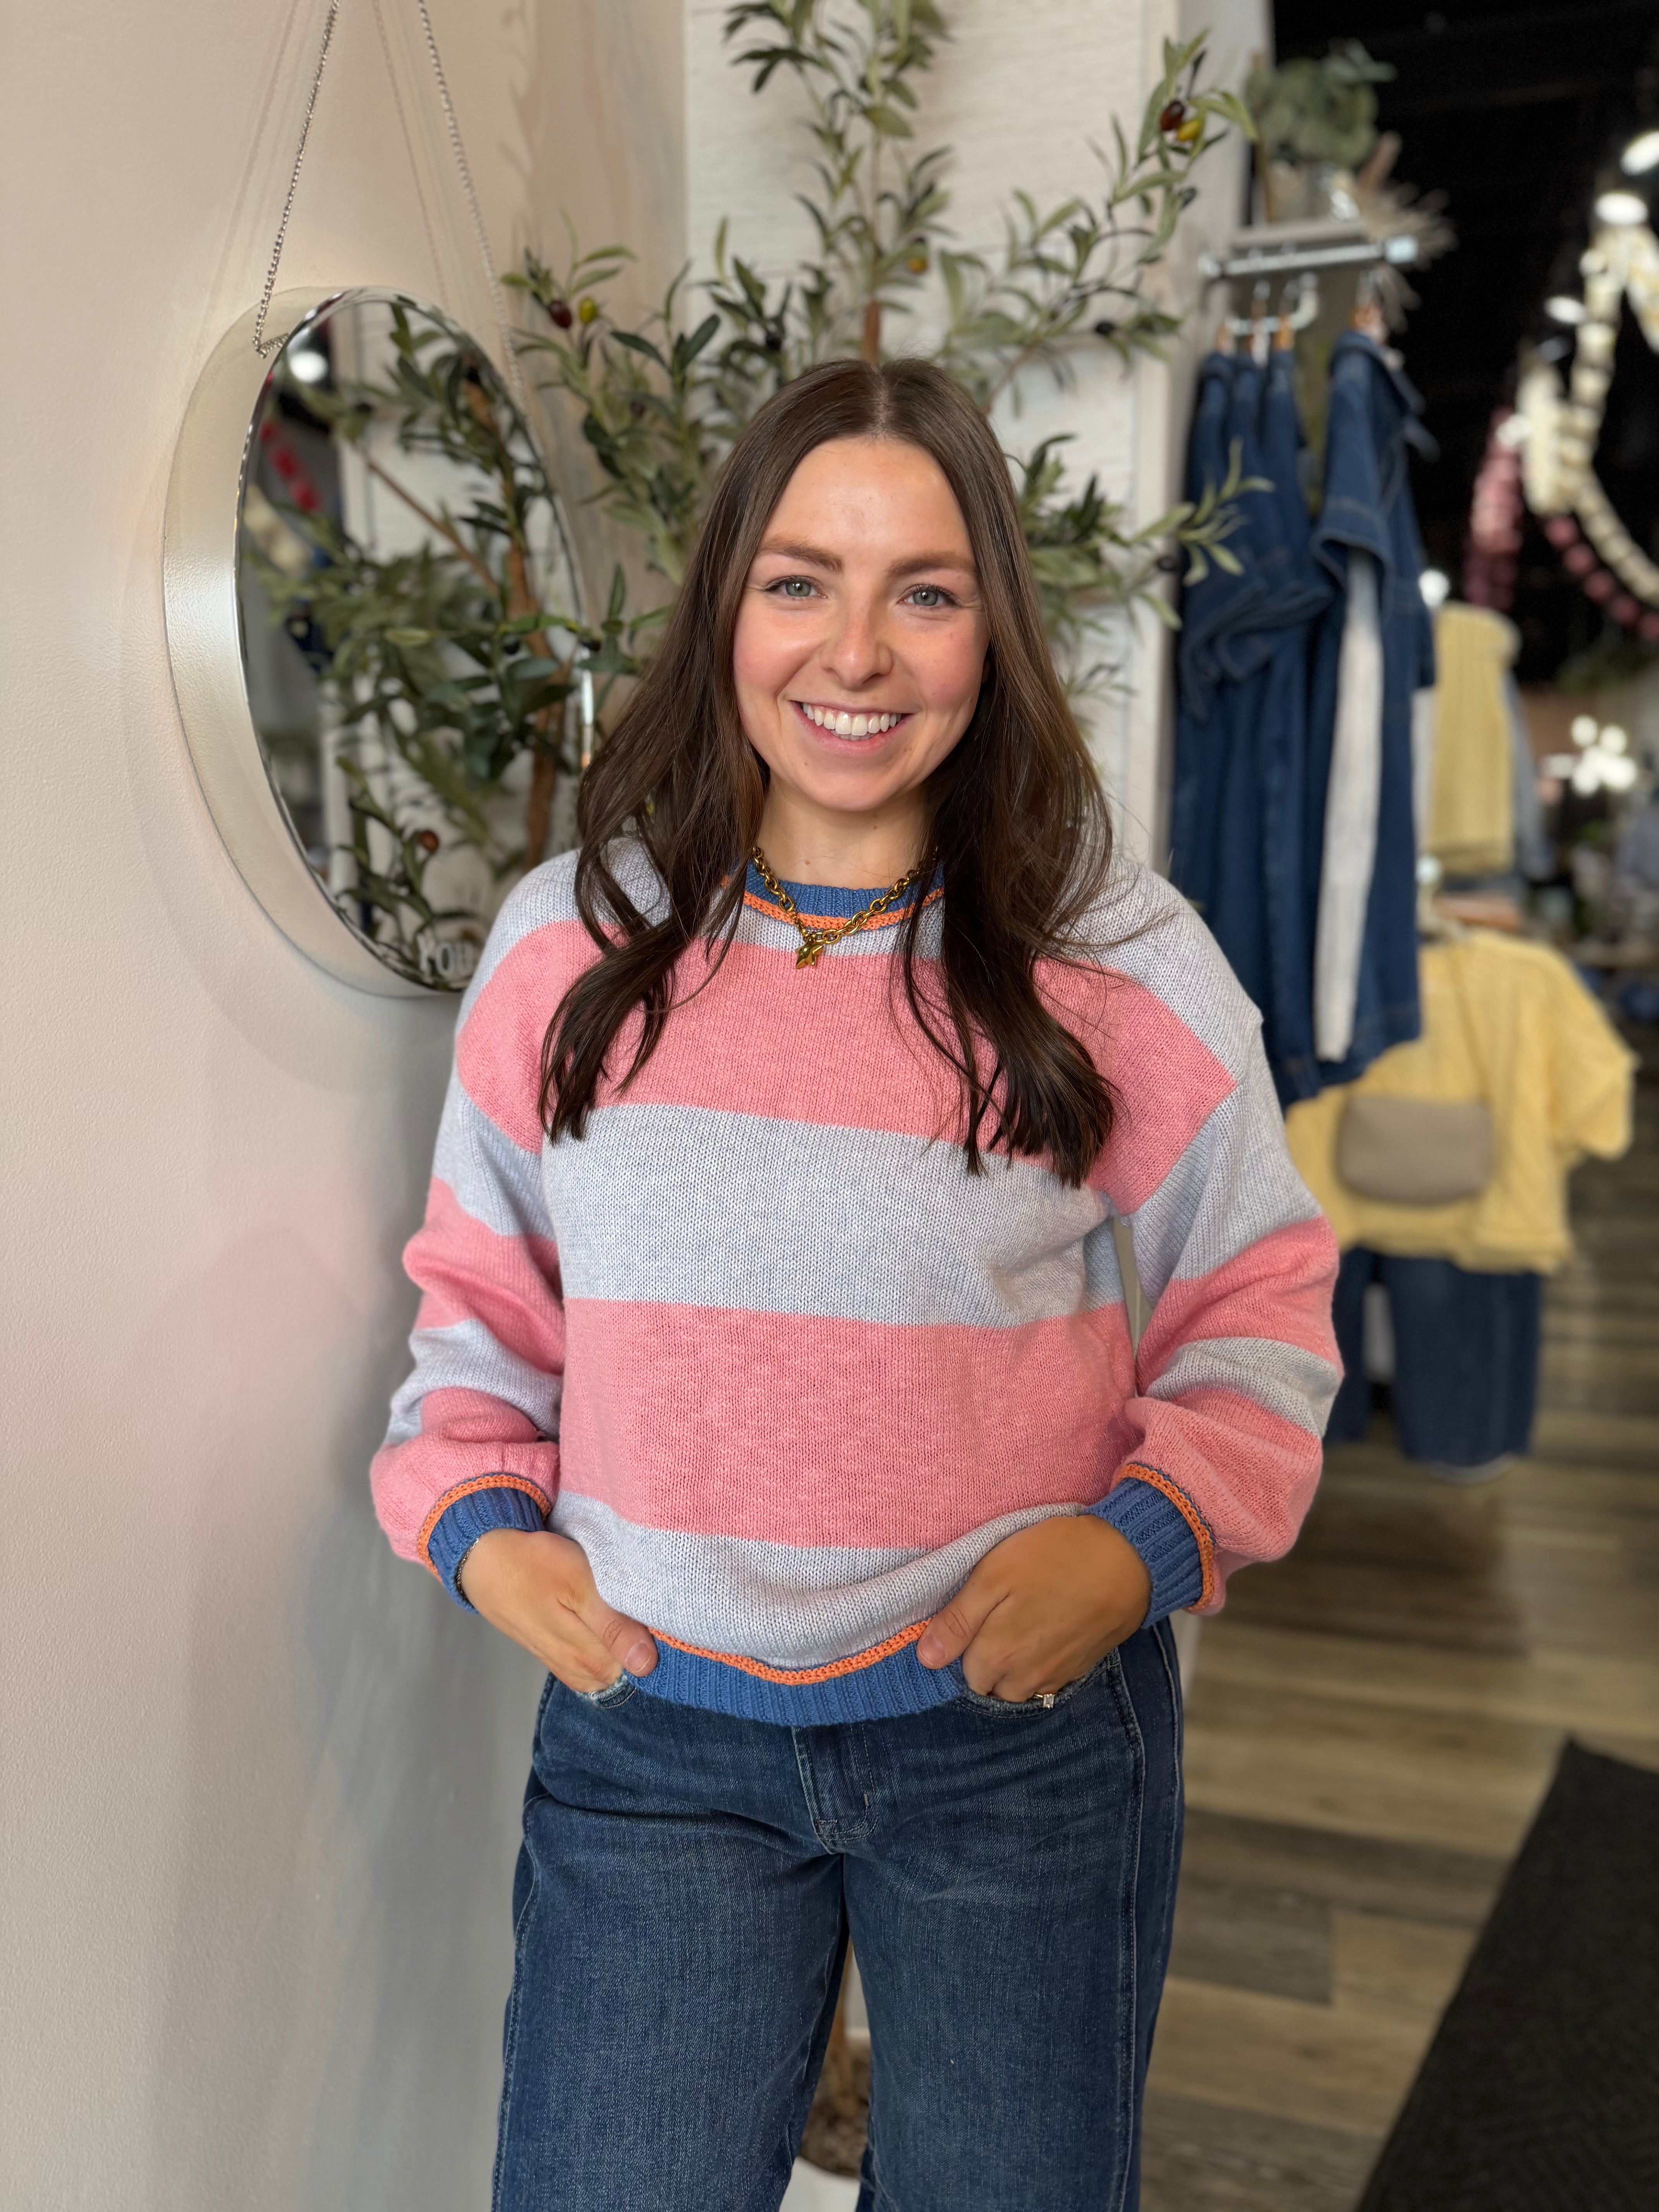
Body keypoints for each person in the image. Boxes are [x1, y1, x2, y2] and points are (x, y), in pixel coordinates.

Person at [370, 357, 1340, 2212]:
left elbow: (1263, 1312)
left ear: (995, 632)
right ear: (726, 610)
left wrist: (1136, 1543)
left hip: (1016, 1742)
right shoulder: (569, 947)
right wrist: (479, 1526)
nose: (859, 653)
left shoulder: (1112, 956)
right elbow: (479, 1312)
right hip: (654, 1739)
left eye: (928, 592)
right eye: (802, 581)